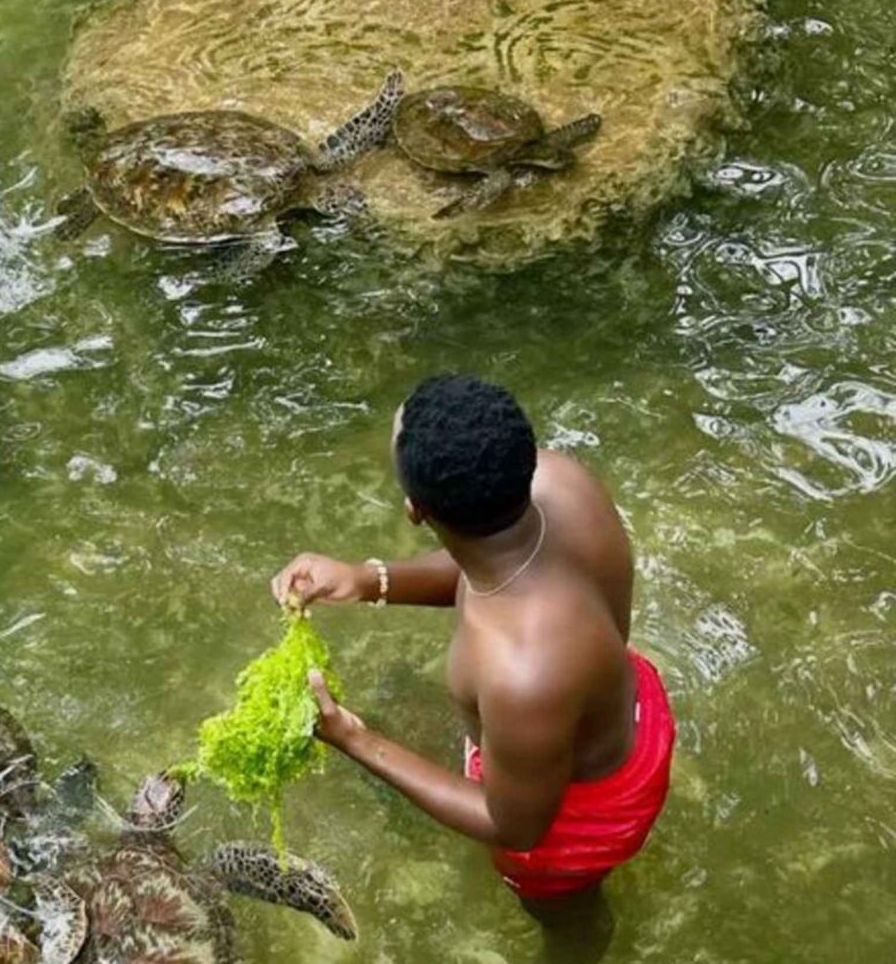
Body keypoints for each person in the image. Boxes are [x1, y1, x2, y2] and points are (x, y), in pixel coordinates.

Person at [271, 374, 674, 913]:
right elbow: (486, 560)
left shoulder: (518, 671)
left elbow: (515, 826)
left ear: (416, 510)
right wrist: (367, 580)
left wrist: (354, 740)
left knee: (564, 913)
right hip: (624, 709)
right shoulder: (560, 480)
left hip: (576, 822)